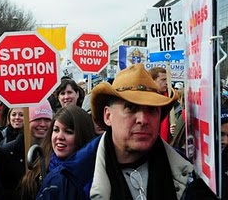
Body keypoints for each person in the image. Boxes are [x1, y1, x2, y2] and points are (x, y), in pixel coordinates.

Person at [36, 64, 217, 199]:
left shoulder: (187, 172)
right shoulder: (67, 182)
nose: (143, 119)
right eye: (131, 108)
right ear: (108, 116)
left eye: (152, 110)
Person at [21, 105, 96, 200]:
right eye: (56, 130)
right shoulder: (36, 175)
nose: (59, 137)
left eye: (68, 132)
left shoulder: (98, 173)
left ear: (83, 135)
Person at [0, 107, 25, 199]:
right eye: (14, 114)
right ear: (8, 117)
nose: (17, 117)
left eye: (21, 115)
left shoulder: (32, 138)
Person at [148, 66, 171, 143]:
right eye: (163, 80)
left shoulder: (170, 100)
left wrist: (175, 128)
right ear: (152, 80)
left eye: (167, 80)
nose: (167, 83)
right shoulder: (144, 102)